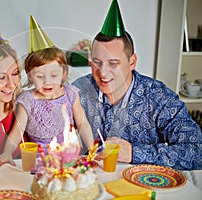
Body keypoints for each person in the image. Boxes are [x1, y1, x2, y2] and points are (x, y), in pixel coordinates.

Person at [73, 0, 202, 170]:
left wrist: (133, 152)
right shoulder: (78, 90)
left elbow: (196, 151)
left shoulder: (159, 97)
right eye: (97, 62)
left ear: (132, 62)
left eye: (113, 63)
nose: (103, 73)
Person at [0, 16, 94, 165]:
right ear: (30, 76)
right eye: (40, 76)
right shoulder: (27, 100)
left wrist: (91, 149)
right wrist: (6, 153)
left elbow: (82, 123)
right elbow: (17, 131)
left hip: (69, 158)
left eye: (54, 75)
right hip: (40, 160)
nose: (47, 81)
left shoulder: (70, 94)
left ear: (63, 73)